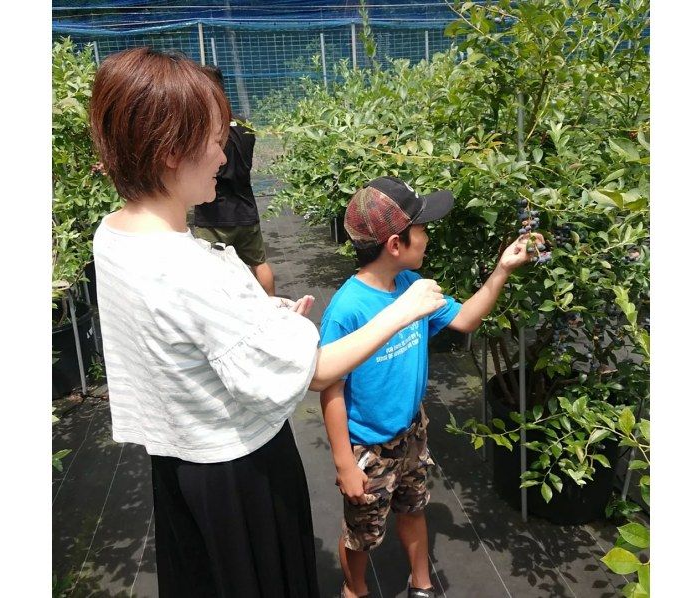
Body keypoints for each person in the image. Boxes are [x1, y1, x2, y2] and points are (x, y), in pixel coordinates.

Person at [89, 49, 448, 598]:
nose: (224, 155)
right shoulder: (195, 269)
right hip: (238, 475)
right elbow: (318, 370)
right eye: (214, 139)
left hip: (179, 460)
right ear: (168, 152)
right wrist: (406, 309)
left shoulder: (112, 235)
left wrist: (255, 317)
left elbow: (178, 332)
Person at [319, 176, 544, 598]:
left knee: (414, 506)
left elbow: (464, 320)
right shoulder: (347, 310)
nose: (427, 236)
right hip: (369, 447)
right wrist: (345, 464)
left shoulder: (410, 287)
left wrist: (502, 270)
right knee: (361, 535)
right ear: (394, 245)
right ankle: (355, 591)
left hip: (411, 431)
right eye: (420, 228)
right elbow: (329, 387)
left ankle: (421, 583)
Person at [193, 65, 275, 296]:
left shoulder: (206, 129)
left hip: (214, 214)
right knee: (259, 263)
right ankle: (274, 306)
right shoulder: (245, 125)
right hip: (245, 208)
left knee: (212, 271)